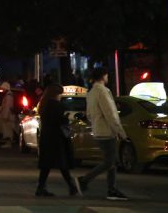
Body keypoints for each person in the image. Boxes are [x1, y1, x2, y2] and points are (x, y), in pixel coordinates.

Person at [76, 67, 128, 201]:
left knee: (111, 161)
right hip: (106, 131)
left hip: (98, 130)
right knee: (110, 162)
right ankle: (85, 180)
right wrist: (121, 132)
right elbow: (110, 114)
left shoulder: (91, 92)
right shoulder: (103, 92)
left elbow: (89, 114)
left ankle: (111, 189)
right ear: (104, 76)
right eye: (107, 75)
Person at [35, 84, 80, 197]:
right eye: (60, 94)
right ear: (56, 94)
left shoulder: (43, 104)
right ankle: (71, 186)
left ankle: (41, 187)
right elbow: (60, 120)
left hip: (47, 137)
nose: (61, 96)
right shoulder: (56, 105)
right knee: (62, 163)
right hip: (57, 137)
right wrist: (67, 119)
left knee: (47, 165)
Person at [0, 81, 14, 148]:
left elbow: (7, 106)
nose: (2, 90)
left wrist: (5, 116)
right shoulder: (8, 95)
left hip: (8, 116)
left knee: (7, 130)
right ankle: (8, 143)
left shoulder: (8, 96)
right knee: (7, 130)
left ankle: (8, 143)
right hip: (8, 115)